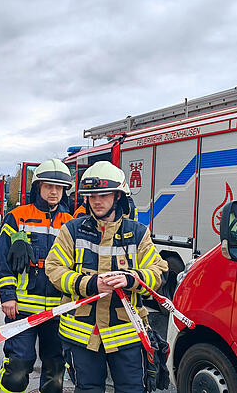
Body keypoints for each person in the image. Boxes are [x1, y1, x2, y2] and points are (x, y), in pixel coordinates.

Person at [45, 161, 168, 393]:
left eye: (103, 195)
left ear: (118, 196)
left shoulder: (138, 233)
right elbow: (53, 268)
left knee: (132, 390)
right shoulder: (72, 230)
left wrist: (131, 279)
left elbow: (159, 271)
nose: (97, 201)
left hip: (127, 335)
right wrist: (89, 284)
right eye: (92, 196)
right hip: (81, 335)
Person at [0, 159, 75, 393]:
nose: (54, 192)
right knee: (18, 367)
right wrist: (8, 296)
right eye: (48, 186)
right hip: (22, 307)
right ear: (37, 187)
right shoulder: (17, 217)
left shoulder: (71, 223)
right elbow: (3, 262)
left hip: (59, 310)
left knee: (55, 369)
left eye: (59, 187)